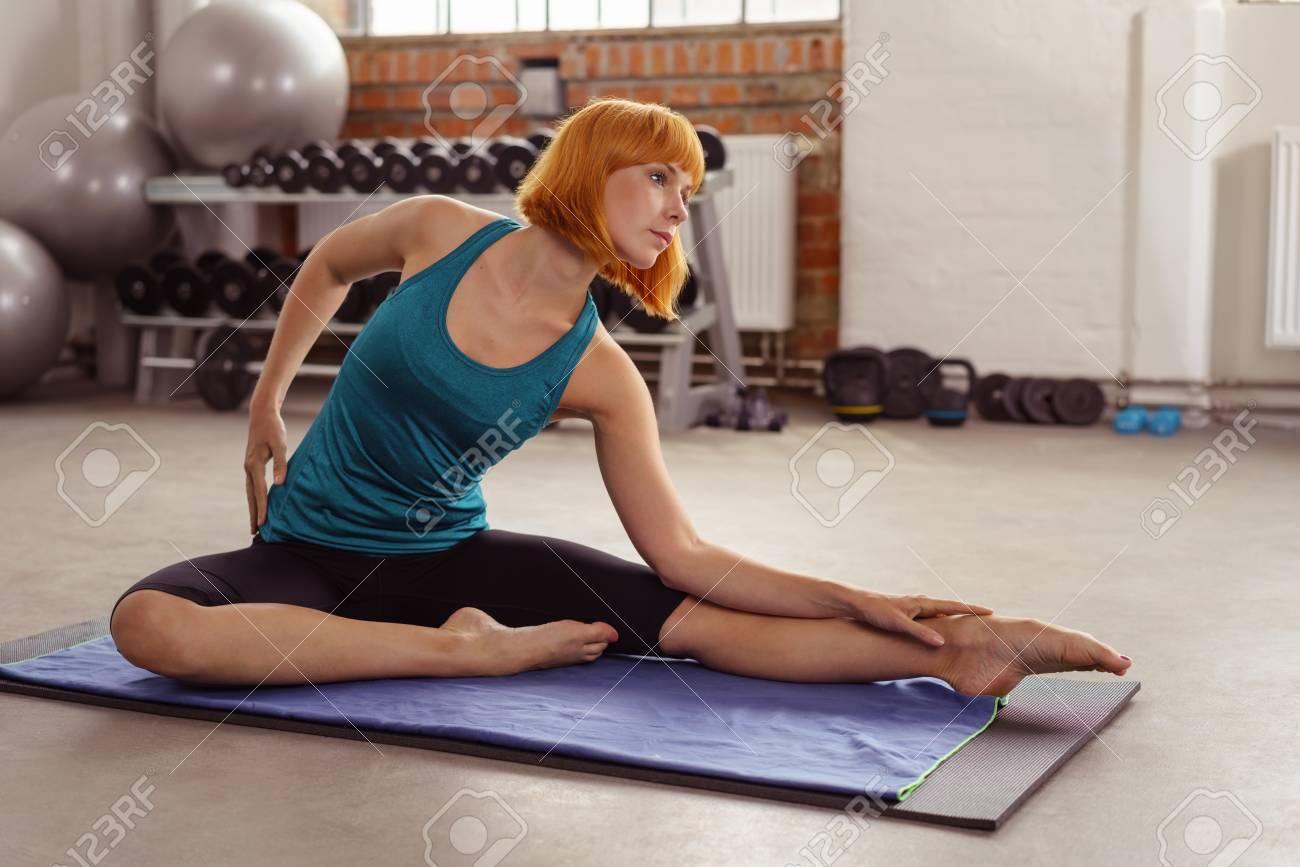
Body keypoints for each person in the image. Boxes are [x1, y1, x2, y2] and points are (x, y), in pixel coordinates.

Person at [109, 99, 1132, 697]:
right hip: (304, 554)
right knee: (149, 626)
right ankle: (462, 656)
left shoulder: (597, 372)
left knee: (688, 620)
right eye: (658, 179)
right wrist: (264, 405)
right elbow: (326, 262)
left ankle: (962, 654)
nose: (678, 208)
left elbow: (684, 558)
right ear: (592, 172)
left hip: (447, 558)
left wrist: (851, 596)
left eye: (687, 192)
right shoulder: (434, 229)